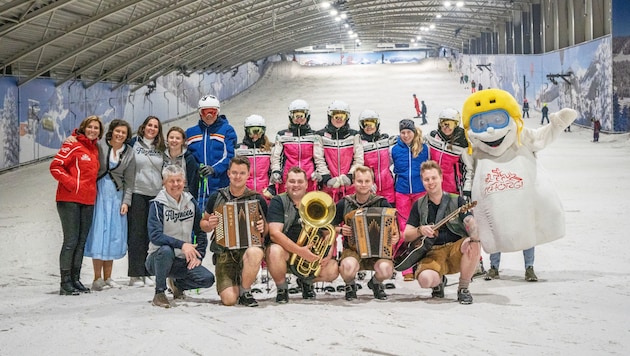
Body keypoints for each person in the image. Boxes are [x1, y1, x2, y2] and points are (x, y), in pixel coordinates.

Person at [403, 160, 481, 304]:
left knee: (473, 244)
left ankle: (463, 288)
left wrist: (471, 224)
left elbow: (469, 220)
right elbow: (406, 235)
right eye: (426, 179)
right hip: (432, 252)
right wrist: (420, 230)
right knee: (425, 280)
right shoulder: (419, 204)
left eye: (434, 178)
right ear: (422, 181)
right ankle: (438, 281)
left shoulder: (457, 201)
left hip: (455, 249)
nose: (430, 182)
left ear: (441, 178)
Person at [200, 156, 268, 307]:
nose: (238, 176)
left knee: (256, 252)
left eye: (242, 173)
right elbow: (203, 223)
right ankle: (237, 284)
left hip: (247, 253)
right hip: (224, 255)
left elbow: (267, 229)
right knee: (229, 300)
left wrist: (263, 228)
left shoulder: (257, 199)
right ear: (228, 173)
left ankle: (245, 290)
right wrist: (209, 224)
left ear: (248, 174)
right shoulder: (216, 196)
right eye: (234, 172)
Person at [265, 167, 339, 303]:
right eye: (292, 181)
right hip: (287, 253)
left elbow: (329, 232)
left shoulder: (317, 201)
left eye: (300, 182)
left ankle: (306, 281)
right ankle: (282, 288)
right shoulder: (278, 201)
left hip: (310, 255)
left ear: (306, 184)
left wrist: (327, 254)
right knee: (274, 250)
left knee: (333, 270)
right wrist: (300, 251)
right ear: (286, 184)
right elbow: (275, 234)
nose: (296, 185)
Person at [146, 165, 215, 308]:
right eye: (171, 181)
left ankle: (177, 284)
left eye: (179, 180)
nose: (176, 184)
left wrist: (199, 255)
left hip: (182, 259)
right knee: (166, 250)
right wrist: (182, 245)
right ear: (164, 183)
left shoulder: (190, 202)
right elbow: (155, 236)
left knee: (207, 279)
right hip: (157, 259)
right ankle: (159, 293)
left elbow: (200, 229)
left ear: (184, 182)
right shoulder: (157, 204)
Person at [50, 115, 103, 295]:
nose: (93, 130)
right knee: (71, 241)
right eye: (90, 127)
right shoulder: (71, 144)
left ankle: (75, 278)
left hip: (87, 200)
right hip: (69, 200)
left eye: (96, 128)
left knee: (81, 242)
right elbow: (56, 166)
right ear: (83, 127)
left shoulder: (94, 149)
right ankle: (65, 282)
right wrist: (72, 184)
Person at [333, 166, 398, 300]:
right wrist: (340, 230)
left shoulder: (381, 202)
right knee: (347, 266)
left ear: (372, 183)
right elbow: (328, 226)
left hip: (378, 251)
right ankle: (350, 285)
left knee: (386, 269)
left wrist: (395, 236)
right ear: (354, 182)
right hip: (353, 249)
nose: (363, 185)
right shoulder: (345, 203)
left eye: (367, 181)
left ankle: (375, 283)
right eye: (359, 181)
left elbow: (394, 227)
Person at [84, 119, 135, 291]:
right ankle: (97, 278)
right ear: (112, 131)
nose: (120, 135)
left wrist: (126, 202)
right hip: (99, 194)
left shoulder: (129, 152)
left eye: (124, 132)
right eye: (117, 131)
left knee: (113, 234)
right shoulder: (100, 146)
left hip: (116, 196)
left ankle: (108, 277)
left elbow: (129, 180)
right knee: (99, 233)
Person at [127, 115, 166, 287]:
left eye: (155, 126)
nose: (152, 128)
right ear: (143, 127)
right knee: (136, 234)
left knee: (152, 235)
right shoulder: (133, 144)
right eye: (149, 125)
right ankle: (135, 274)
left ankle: (148, 271)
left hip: (155, 195)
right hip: (137, 192)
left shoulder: (161, 148)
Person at [392, 119, 429, 281]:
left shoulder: (423, 148)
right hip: (401, 192)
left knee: (421, 227)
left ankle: (420, 264)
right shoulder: (394, 149)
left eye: (408, 132)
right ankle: (406, 268)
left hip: (420, 191)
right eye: (403, 132)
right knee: (404, 229)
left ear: (414, 132)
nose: (406, 135)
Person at [186, 95, 237, 210]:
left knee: (219, 219)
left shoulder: (226, 130)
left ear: (218, 112)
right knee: (200, 220)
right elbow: (187, 156)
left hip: (219, 184)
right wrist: (196, 168)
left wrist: (214, 169)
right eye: (205, 112)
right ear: (200, 113)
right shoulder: (191, 132)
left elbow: (229, 156)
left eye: (212, 112)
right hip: (198, 187)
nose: (209, 116)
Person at [269, 99, 329, 194]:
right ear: (290, 116)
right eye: (295, 115)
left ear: (307, 116)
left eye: (302, 115)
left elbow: (318, 157)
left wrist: (320, 172)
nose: (299, 118)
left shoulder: (314, 136)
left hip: (309, 179)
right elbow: (276, 157)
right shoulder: (282, 135)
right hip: (288, 179)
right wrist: (276, 171)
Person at [317, 100, 364, 203]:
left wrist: (350, 176)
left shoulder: (354, 135)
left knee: (350, 214)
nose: (339, 119)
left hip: (349, 185)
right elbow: (318, 158)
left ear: (347, 118)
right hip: (329, 185)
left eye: (342, 116)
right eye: (335, 116)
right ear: (330, 117)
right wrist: (326, 177)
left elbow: (359, 159)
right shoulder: (320, 135)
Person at [357, 110, 396, 205]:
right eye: (366, 124)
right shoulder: (359, 143)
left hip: (388, 187)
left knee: (389, 216)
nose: (369, 127)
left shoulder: (384, 140)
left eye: (372, 123)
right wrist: (367, 183)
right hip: (369, 189)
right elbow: (358, 166)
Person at [235, 114, 273, 200]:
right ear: (246, 131)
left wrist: (272, 188)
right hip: (245, 193)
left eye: (259, 131)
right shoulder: (238, 150)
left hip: (264, 193)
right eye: (252, 131)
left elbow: (273, 170)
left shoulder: (269, 149)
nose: (255, 135)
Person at [163, 126, 199, 194]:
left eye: (178, 138)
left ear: (183, 141)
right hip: (165, 196)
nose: (174, 140)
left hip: (183, 196)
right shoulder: (162, 157)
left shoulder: (189, 158)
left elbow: (193, 183)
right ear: (167, 140)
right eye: (171, 137)